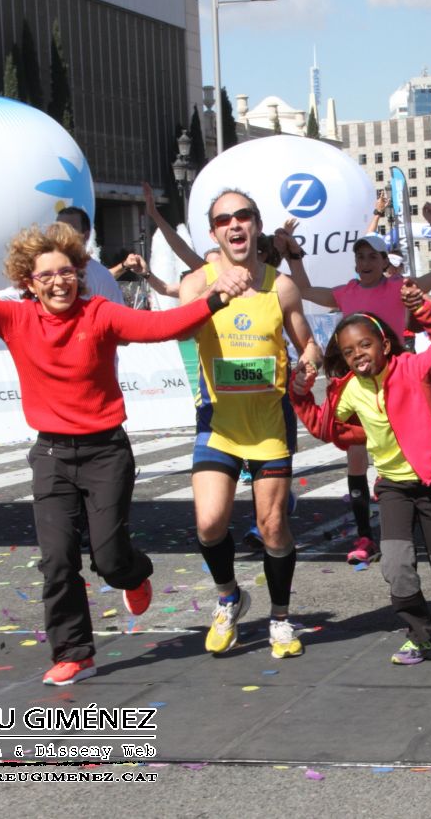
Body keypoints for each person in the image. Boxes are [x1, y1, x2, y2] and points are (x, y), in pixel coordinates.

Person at [0, 219, 249, 685]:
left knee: (110, 559)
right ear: (28, 284)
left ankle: (134, 575)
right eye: (46, 276)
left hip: (105, 454)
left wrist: (216, 297)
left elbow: (161, 326)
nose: (59, 282)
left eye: (66, 272)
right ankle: (75, 652)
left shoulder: (100, 314)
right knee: (57, 561)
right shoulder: (14, 319)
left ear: (78, 272)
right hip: (52, 456)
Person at [290, 283, 431, 664]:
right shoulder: (346, 389)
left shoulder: (413, 369)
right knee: (396, 567)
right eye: (348, 352)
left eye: (364, 345)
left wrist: (425, 310)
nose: (357, 356)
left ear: (384, 343)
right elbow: (325, 427)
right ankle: (422, 636)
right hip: (393, 488)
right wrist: (300, 394)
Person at [178, 189, 322, 659]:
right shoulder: (195, 283)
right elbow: (179, 327)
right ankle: (229, 597)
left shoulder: (279, 286)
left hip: (268, 423)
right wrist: (219, 291)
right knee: (209, 523)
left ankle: (280, 618)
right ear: (214, 231)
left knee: (273, 525)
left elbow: (306, 342)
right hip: (218, 421)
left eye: (244, 216)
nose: (235, 225)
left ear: (256, 226)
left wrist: (311, 361)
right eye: (225, 220)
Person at [283, 201, 431, 565]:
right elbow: (304, 288)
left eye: (371, 257)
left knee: (414, 453)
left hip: (401, 383)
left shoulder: (399, 287)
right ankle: (365, 536)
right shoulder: (346, 292)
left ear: (382, 260)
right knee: (356, 460)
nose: (364, 264)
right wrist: (294, 253)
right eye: (359, 257)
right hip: (359, 385)